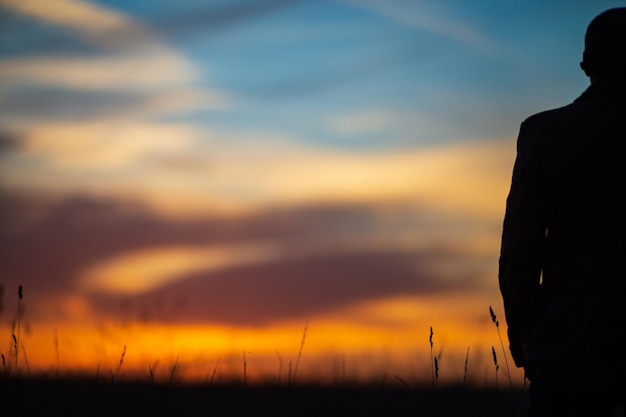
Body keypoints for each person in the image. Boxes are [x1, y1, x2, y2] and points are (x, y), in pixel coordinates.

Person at [498, 7, 626, 417]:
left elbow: (520, 253)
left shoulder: (545, 134)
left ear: (586, 66)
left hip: (568, 349)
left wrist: (525, 342)